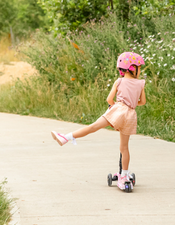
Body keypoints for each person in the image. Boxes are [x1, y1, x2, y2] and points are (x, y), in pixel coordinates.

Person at [51, 52, 146, 183]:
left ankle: (65, 138)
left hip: (118, 109)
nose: (140, 70)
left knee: (93, 127)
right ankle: (124, 175)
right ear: (132, 68)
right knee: (124, 148)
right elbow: (142, 102)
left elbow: (109, 99)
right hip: (130, 115)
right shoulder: (141, 83)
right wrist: (132, 104)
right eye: (139, 68)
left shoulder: (119, 81)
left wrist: (114, 108)